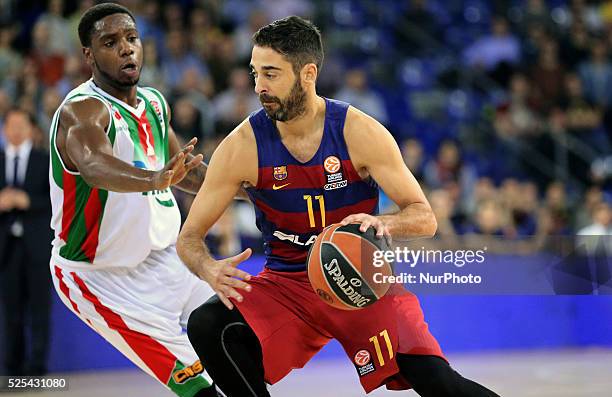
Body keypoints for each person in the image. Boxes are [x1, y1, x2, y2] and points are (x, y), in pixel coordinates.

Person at [178, 16, 500, 397]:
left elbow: (424, 216)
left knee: (435, 379)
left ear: (308, 73)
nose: (259, 87)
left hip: (358, 278)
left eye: (271, 74)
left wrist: (383, 224)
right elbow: (189, 238)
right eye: (255, 73)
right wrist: (208, 268)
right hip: (288, 283)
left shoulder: (358, 132)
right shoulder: (242, 145)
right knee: (208, 324)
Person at [49, 4, 220, 396]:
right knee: (197, 387)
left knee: (239, 337)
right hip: (100, 276)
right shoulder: (82, 110)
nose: (127, 49)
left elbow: (187, 172)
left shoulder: (155, 103)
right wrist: (157, 178)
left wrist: (255, 192)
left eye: (131, 38)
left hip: (164, 258)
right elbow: (95, 165)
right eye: (111, 42)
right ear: (89, 56)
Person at [0, 108, 53, 376]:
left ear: (31, 128)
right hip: (6, 249)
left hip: (37, 246)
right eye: (11, 124)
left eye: (21, 124)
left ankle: (37, 367)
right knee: (11, 311)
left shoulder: (45, 160)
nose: (16, 130)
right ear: (4, 129)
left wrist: (27, 201)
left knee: (39, 310)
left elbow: (56, 202)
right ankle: (11, 367)